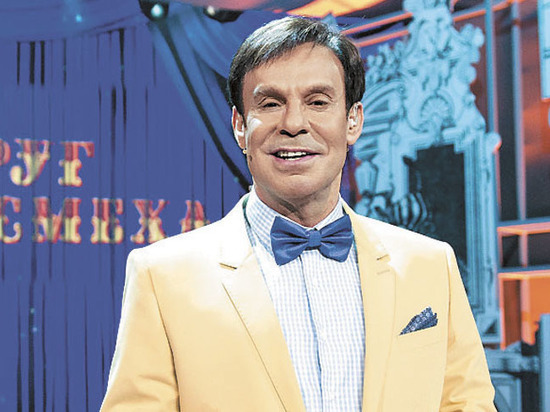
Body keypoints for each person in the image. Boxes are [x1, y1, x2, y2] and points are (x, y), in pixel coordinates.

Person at [101, 16, 496, 411]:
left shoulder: (430, 265)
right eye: (270, 104)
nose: (293, 123)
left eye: (318, 102)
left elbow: (468, 404)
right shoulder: (162, 277)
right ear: (239, 126)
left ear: (353, 120)